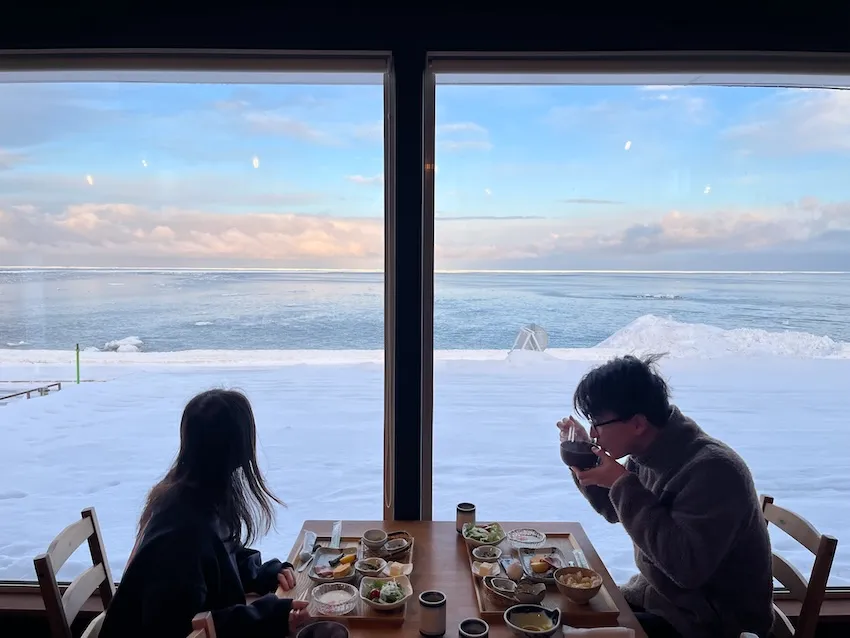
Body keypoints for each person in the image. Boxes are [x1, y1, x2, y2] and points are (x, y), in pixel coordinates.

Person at [558, 354, 774, 638]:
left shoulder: (713, 470)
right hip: (662, 600)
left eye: (598, 423)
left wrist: (621, 481)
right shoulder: (650, 451)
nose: (594, 434)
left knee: (559, 629)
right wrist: (586, 461)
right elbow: (616, 509)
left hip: (710, 623)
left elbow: (686, 569)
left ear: (637, 424)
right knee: (556, 612)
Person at [100, 389, 310, 638]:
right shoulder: (182, 535)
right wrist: (267, 616)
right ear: (236, 451)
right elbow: (180, 627)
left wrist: (260, 573)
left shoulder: (195, 495)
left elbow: (220, 557)